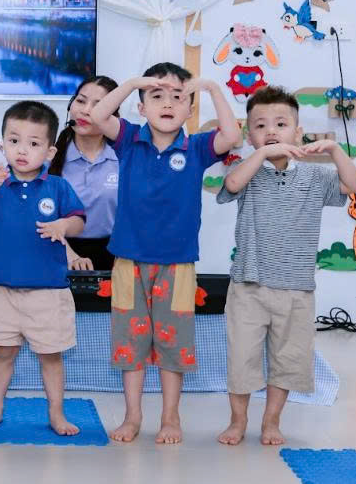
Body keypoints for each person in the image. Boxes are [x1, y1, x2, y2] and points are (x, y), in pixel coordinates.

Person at [90, 62, 241, 444]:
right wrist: (131, 83)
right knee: (131, 344)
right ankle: (133, 416)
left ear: (190, 109)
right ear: (142, 108)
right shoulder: (129, 139)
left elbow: (232, 134)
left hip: (177, 264)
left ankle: (171, 417)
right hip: (129, 262)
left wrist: (212, 89)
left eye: (178, 97)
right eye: (157, 96)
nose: (168, 103)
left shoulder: (197, 147)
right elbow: (98, 115)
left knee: (173, 344)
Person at [216, 86, 356, 446]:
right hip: (249, 285)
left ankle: (271, 421)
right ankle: (237, 420)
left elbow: (355, 183)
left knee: (287, 359)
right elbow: (231, 184)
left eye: (281, 124)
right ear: (249, 135)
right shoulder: (248, 171)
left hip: (296, 287)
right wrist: (262, 154)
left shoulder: (315, 177)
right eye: (260, 126)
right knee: (241, 358)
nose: (271, 131)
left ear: (297, 132)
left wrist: (333, 150)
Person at [0, 101, 87, 435]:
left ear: (50, 151)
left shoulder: (57, 187)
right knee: (3, 353)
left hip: (48, 293)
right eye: (14, 141)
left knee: (51, 356)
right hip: (1, 291)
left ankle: (56, 414)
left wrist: (63, 225)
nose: (22, 150)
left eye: (33, 143)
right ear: (2, 145)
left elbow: (78, 221)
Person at [48, 75, 120, 271]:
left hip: (116, 257)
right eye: (81, 101)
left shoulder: (125, 158)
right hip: (57, 251)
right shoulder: (48, 156)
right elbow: (36, 216)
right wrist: (70, 256)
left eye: (98, 105)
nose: (86, 110)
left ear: (113, 116)